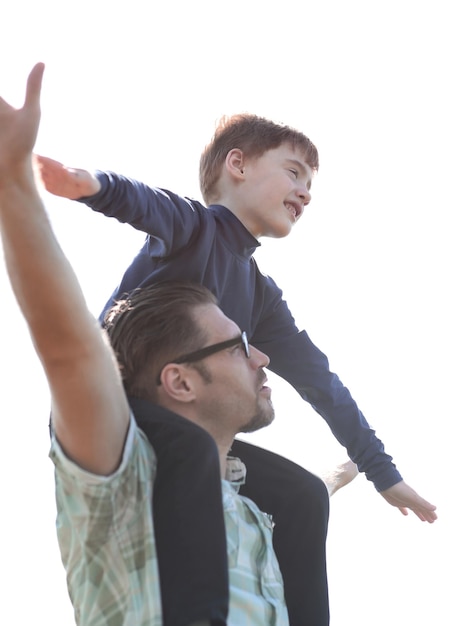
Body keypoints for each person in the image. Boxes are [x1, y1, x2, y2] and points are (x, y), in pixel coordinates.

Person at [35, 110, 437, 626]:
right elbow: (145, 203)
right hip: (111, 416)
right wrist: (86, 184)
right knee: (195, 445)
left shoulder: (261, 295)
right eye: (294, 172)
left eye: (311, 184)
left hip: (182, 428)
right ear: (237, 165)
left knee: (304, 495)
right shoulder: (193, 229)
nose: (306, 193)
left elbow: (322, 383)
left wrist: (382, 472)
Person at [0, 64, 293, 626]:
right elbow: (71, 349)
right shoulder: (124, 476)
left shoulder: (255, 516)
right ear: (179, 380)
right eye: (236, 348)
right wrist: (14, 178)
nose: (261, 356)